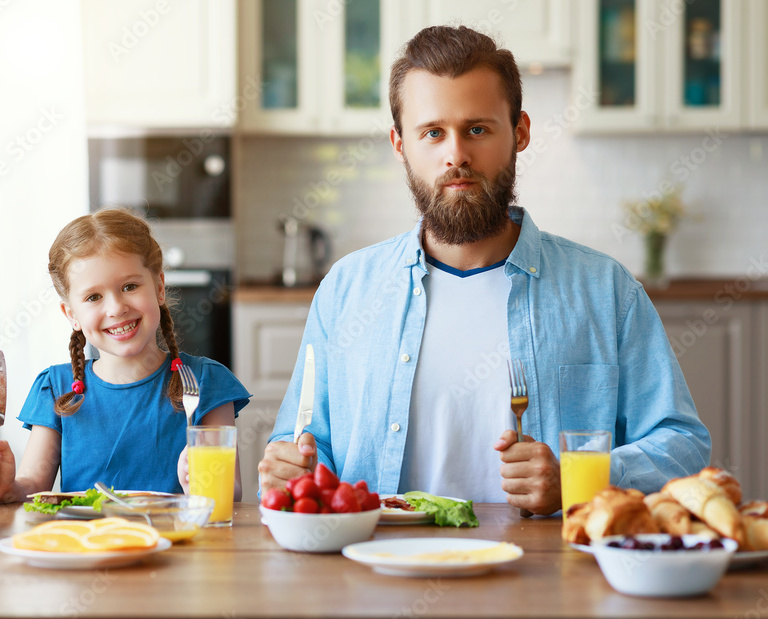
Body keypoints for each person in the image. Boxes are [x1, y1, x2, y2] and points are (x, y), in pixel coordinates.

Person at [258, 26, 710, 515]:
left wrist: (581, 476)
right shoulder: (345, 291)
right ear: (399, 144)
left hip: (551, 584)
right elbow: (303, 440)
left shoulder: (606, 291)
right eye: (432, 133)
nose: (456, 155)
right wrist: (289, 465)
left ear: (519, 132)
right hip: (376, 577)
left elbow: (682, 446)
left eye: (477, 129)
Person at [0, 209, 250, 502]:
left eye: (130, 286)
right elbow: (32, 487)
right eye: (93, 297)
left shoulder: (206, 382)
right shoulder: (56, 387)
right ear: (71, 314)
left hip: (179, 544)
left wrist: (204, 486)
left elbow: (232, 493)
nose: (116, 308)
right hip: (89, 545)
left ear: (159, 287)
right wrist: (7, 486)